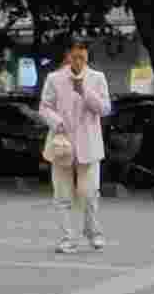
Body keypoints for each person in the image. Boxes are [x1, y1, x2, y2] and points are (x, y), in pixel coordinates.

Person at [39, 40, 114, 257]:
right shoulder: (54, 78)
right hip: (62, 145)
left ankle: (93, 232)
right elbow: (44, 107)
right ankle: (67, 239)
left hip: (89, 146)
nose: (79, 61)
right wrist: (57, 122)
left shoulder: (97, 78)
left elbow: (105, 108)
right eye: (75, 57)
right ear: (68, 56)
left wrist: (85, 92)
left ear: (87, 56)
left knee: (89, 193)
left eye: (82, 57)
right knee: (62, 195)